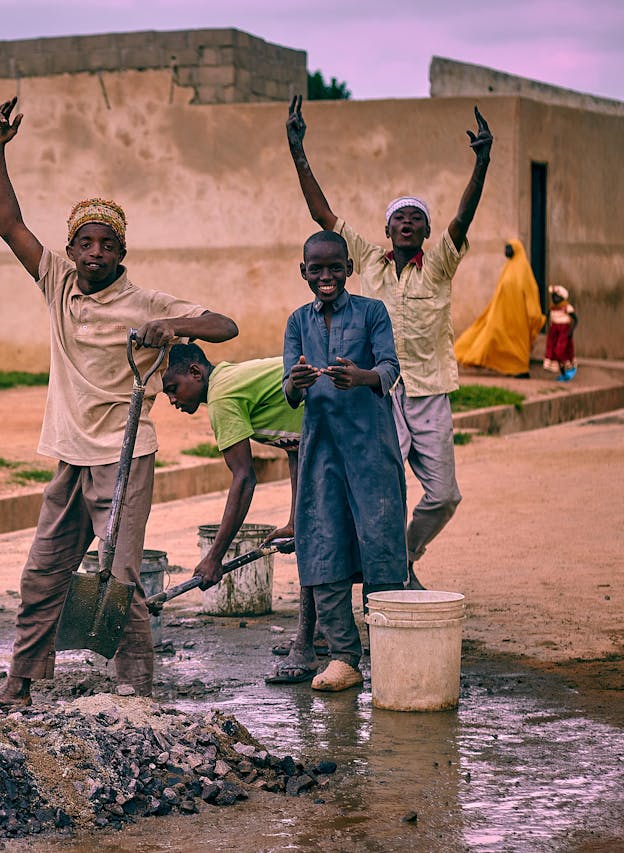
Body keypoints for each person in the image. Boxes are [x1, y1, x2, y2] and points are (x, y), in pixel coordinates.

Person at [0, 97, 239, 708]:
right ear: (71, 249)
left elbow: (223, 325)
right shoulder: (57, 282)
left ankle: (135, 693)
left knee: (119, 580)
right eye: (84, 243)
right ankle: (20, 681)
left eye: (106, 244)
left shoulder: (146, 302)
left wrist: (174, 330)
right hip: (70, 455)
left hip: (123, 459)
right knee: (43, 572)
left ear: (122, 253)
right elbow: (9, 225)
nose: (94, 254)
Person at [286, 95, 494, 590]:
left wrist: (482, 162)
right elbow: (323, 216)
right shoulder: (367, 262)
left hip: (428, 390)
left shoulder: (440, 262)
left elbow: (463, 218)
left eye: (416, 218)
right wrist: (298, 151)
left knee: (443, 495)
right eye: (399, 217)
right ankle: (378, 577)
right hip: (376, 392)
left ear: (425, 231)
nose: (407, 223)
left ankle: (402, 557)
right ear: (386, 229)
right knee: (378, 487)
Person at [283, 231, 407, 692]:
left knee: (380, 544)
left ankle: (392, 652)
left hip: (371, 449)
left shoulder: (373, 312)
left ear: (349, 268)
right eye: (316, 269)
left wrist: (362, 377)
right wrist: (296, 381)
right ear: (304, 273)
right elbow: (289, 391)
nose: (326, 277)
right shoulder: (297, 321)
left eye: (334, 267)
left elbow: (391, 368)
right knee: (323, 543)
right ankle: (343, 658)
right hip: (322, 451)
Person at [161, 344, 321, 683]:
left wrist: (214, 558)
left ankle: (307, 645)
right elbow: (294, 446)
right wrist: (295, 521)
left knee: (320, 537)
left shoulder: (220, 398)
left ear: (195, 373)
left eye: (173, 390)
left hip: (343, 414)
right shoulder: (231, 379)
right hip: (322, 425)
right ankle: (319, 634)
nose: (172, 400)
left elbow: (245, 478)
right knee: (311, 529)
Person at [454, 239, 545, 377]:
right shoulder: (508, 268)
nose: (506, 251)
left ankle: (520, 370)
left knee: (517, 346)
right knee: (489, 339)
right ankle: (475, 359)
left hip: (519, 319)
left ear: (517, 249)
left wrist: (534, 316)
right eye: (506, 248)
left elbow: (531, 293)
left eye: (509, 248)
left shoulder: (523, 271)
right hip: (502, 317)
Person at [543, 285, 578, 381]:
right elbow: (546, 318)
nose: (555, 299)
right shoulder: (552, 308)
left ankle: (570, 367)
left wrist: (571, 331)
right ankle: (563, 373)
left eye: (557, 297)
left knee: (561, 350)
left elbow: (575, 319)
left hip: (563, 331)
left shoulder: (567, 307)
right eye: (553, 297)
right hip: (554, 331)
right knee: (553, 351)